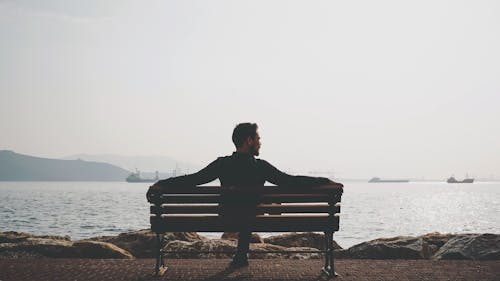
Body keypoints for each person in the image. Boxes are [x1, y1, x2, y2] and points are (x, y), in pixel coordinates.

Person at [146, 122, 343, 267]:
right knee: (250, 210)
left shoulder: (222, 163)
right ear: (248, 140)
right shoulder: (261, 167)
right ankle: (241, 256)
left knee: (242, 209)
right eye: (257, 139)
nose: (260, 143)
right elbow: (291, 181)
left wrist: (161, 184)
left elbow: (193, 179)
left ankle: (240, 257)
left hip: (225, 219)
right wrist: (324, 182)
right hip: (254, 220)